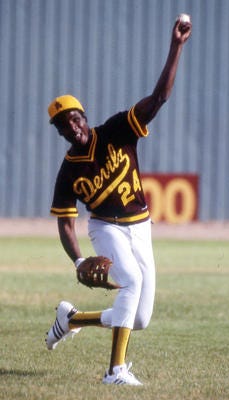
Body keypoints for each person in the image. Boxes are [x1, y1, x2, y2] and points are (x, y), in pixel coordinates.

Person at [46, 16, 192, 386]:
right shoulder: (68, 172)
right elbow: (65, 222)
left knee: (139, 318)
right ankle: (115, 371)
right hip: (105, 227)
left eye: (74, 118)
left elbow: (158, 98)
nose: (72, 127)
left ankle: (72, 319)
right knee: (129, 282)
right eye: (64, 125)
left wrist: (175, 47)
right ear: (61, 132)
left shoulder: (116, 131)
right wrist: (79, 259)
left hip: (140, 226)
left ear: (85, 116)